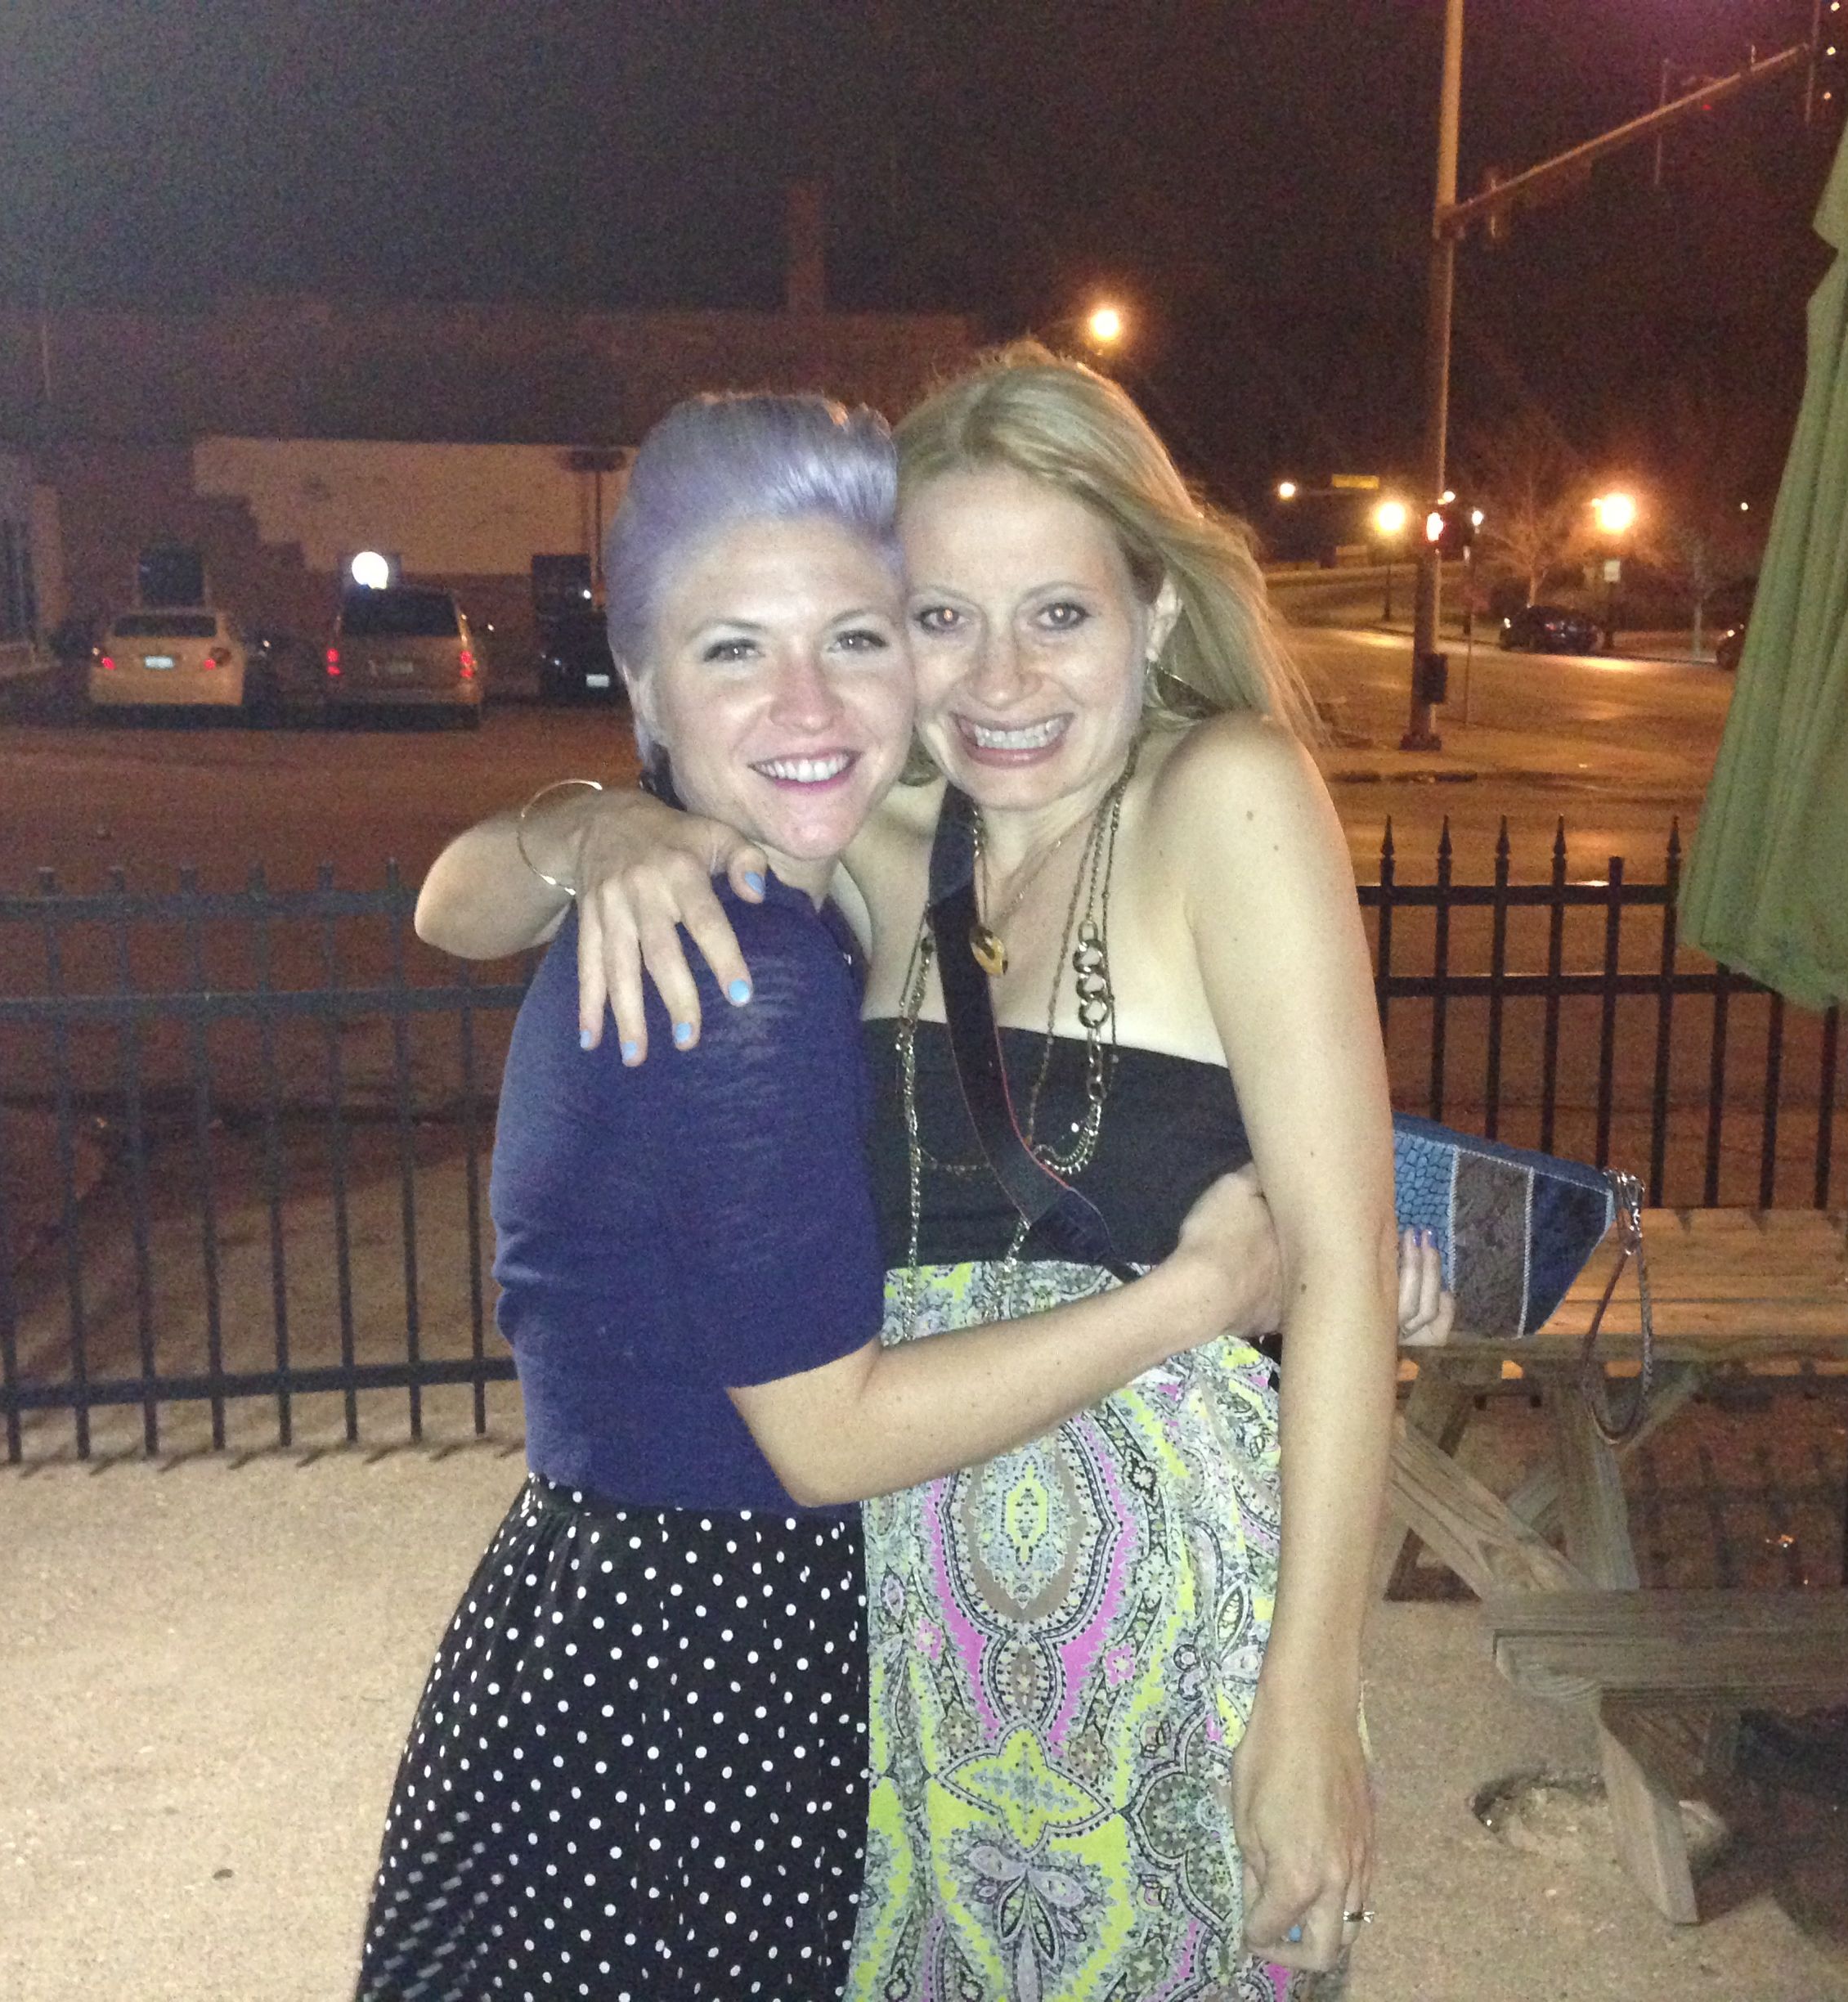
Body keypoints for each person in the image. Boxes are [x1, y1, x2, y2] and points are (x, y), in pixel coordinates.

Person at [420, 347, 1422, 1998]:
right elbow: (453, 907)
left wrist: (1311, 1702)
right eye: (945, 617)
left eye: (1061, 614)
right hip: (903, 1631)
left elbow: (1340, 1265)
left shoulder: (1224, 798)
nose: (1002, 678)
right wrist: (594, 829)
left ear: (1158, 609)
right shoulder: (880, 839)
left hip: (1168, 1622)